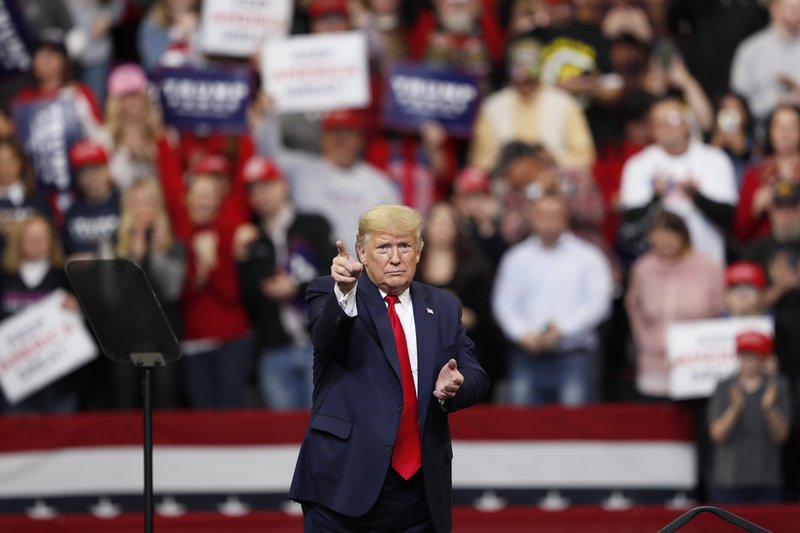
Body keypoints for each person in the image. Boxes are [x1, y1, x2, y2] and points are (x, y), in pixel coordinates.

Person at [290, 204, 489, 532]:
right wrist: (344, 292)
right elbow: (326, 339)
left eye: (404, 246)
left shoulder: (442, 305)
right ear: (362, 253)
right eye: (383, 247)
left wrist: (456, 385)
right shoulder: (330, 291)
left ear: (419, 252)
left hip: (419, 495)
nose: (395, 258)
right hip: (343, 486)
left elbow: (476, 377)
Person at [234, 156, 337, 410]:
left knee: (322, 429)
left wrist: (296, 288)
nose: (262, 194)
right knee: (282, 438)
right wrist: (240, 258)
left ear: (283, 185)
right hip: (274, 349)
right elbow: (246, 297)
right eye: (254, 189)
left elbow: (335, 274)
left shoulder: (313, 224)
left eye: (267, 185)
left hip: (318, 346)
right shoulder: (251, 238)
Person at [492, 193, 613, 406]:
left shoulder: (588, 256)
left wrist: (563, 329)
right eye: (542, 214)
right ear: (532, 217)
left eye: (554, 214)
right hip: (526, 354)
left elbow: (598, 304)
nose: (548, 219)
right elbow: (504, 303)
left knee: (574, 429)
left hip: (575, 355)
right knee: (523, 429)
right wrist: (522, 333)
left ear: (566, 217)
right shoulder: (516, 258)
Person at [618, 96, 738, 266]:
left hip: (708, 263)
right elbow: (630, 225)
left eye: (673, 120)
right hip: (658, 269)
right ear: (651, 129)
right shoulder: (638, 165)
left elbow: (730, 218)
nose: (668, 128)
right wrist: (656, 197)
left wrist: (695, 195)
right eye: (660, 123)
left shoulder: (715, 159)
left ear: (687, 123)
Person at [625, 211, 725, 399]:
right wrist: (646, 342)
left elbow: (719, 311)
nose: (664, 249)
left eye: (669, 242)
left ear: (683, 236)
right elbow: (633, 307)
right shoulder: (643, 268)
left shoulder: (708, 267)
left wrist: (700, 349)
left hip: (697, 365)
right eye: (658, 245)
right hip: (653, 362)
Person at [468, 35, 595, 173]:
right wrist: (510, 165)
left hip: (553, 182)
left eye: (531, 78)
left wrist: (555, 159)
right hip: (505, 184)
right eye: (522, 79)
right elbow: (480, 161)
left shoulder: (565, 104)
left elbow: (584, 155)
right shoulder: (492, 107)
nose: (527, 83)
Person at [708, 331, 791, 503]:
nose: (749, 363)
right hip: (730, 480)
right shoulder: (724, 387)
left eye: (755, 357)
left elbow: (781, 437)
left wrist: (770, 409)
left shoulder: (777, 386)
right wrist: (735, 408)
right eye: (745, 356)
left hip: (767, 481)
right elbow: (717, 435)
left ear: (764, 359)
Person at [735, 104, 800, 243]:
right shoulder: (754, 176)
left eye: (793, 127)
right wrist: (755, 208)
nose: (786, 134)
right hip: (766, 254)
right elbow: (741, 233)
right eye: (781, 128)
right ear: (770, 132)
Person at [730, 0, 800, 127]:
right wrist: (773, 102)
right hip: (758, 133)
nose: (798, 13)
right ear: (774, 9)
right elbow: (737, 103)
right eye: (793, 8)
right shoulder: (750, 50)